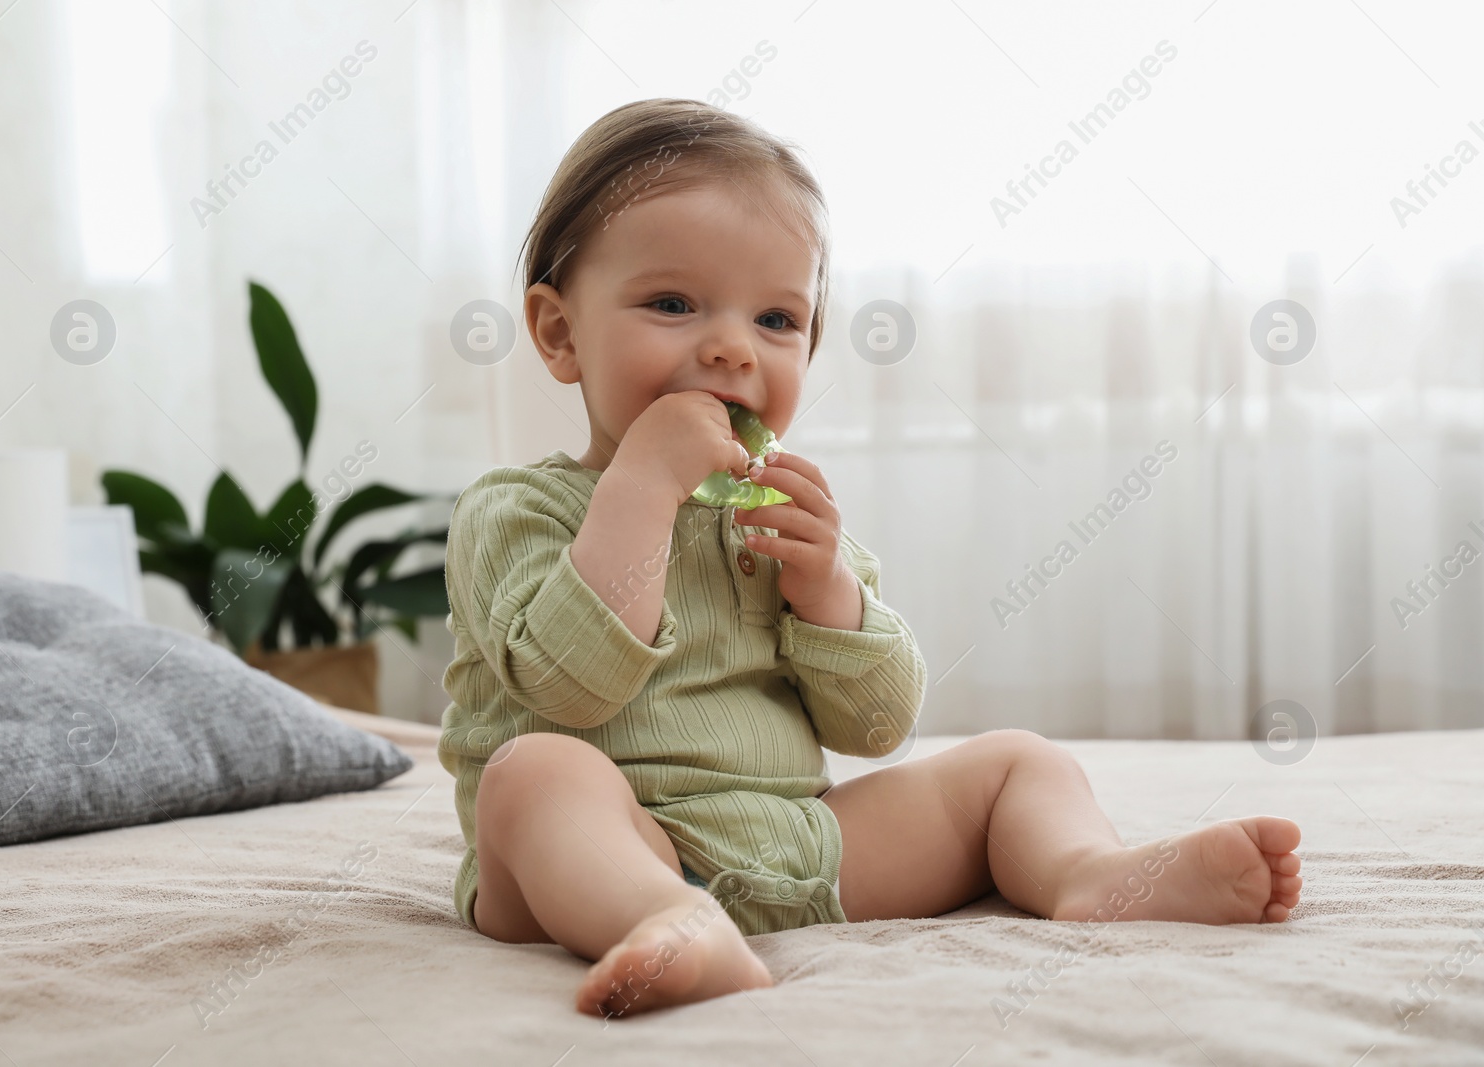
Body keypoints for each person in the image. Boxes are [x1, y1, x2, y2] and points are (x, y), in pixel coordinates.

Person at [436, 98, 1303, 1019]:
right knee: (534, 777)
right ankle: (670, 923)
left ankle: (1089, 872)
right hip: (600, 858)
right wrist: (643, 488)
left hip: (799, 842)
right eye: (673, 303)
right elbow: (572, 689)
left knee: (1016, 760)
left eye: (775, 319)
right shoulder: (514, 510)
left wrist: (831, 595)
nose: (731, 346)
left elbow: (878, 725)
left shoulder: (786, 519)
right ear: (560, 332)